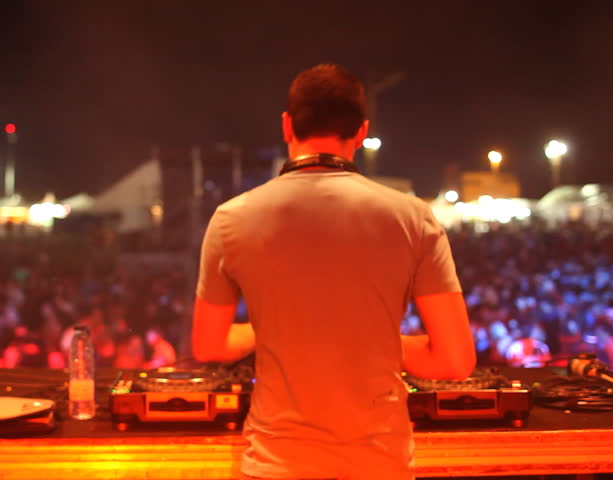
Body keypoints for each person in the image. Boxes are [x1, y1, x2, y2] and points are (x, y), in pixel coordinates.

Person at [192, 64, 475, 480]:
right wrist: (364, 339)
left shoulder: (231, 218)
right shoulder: (413, 217)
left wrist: (285, 331)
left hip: (275, 466)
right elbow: (453, 360)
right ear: (362, 131)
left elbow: (209, 344)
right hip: (379, 464)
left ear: (288, 126)